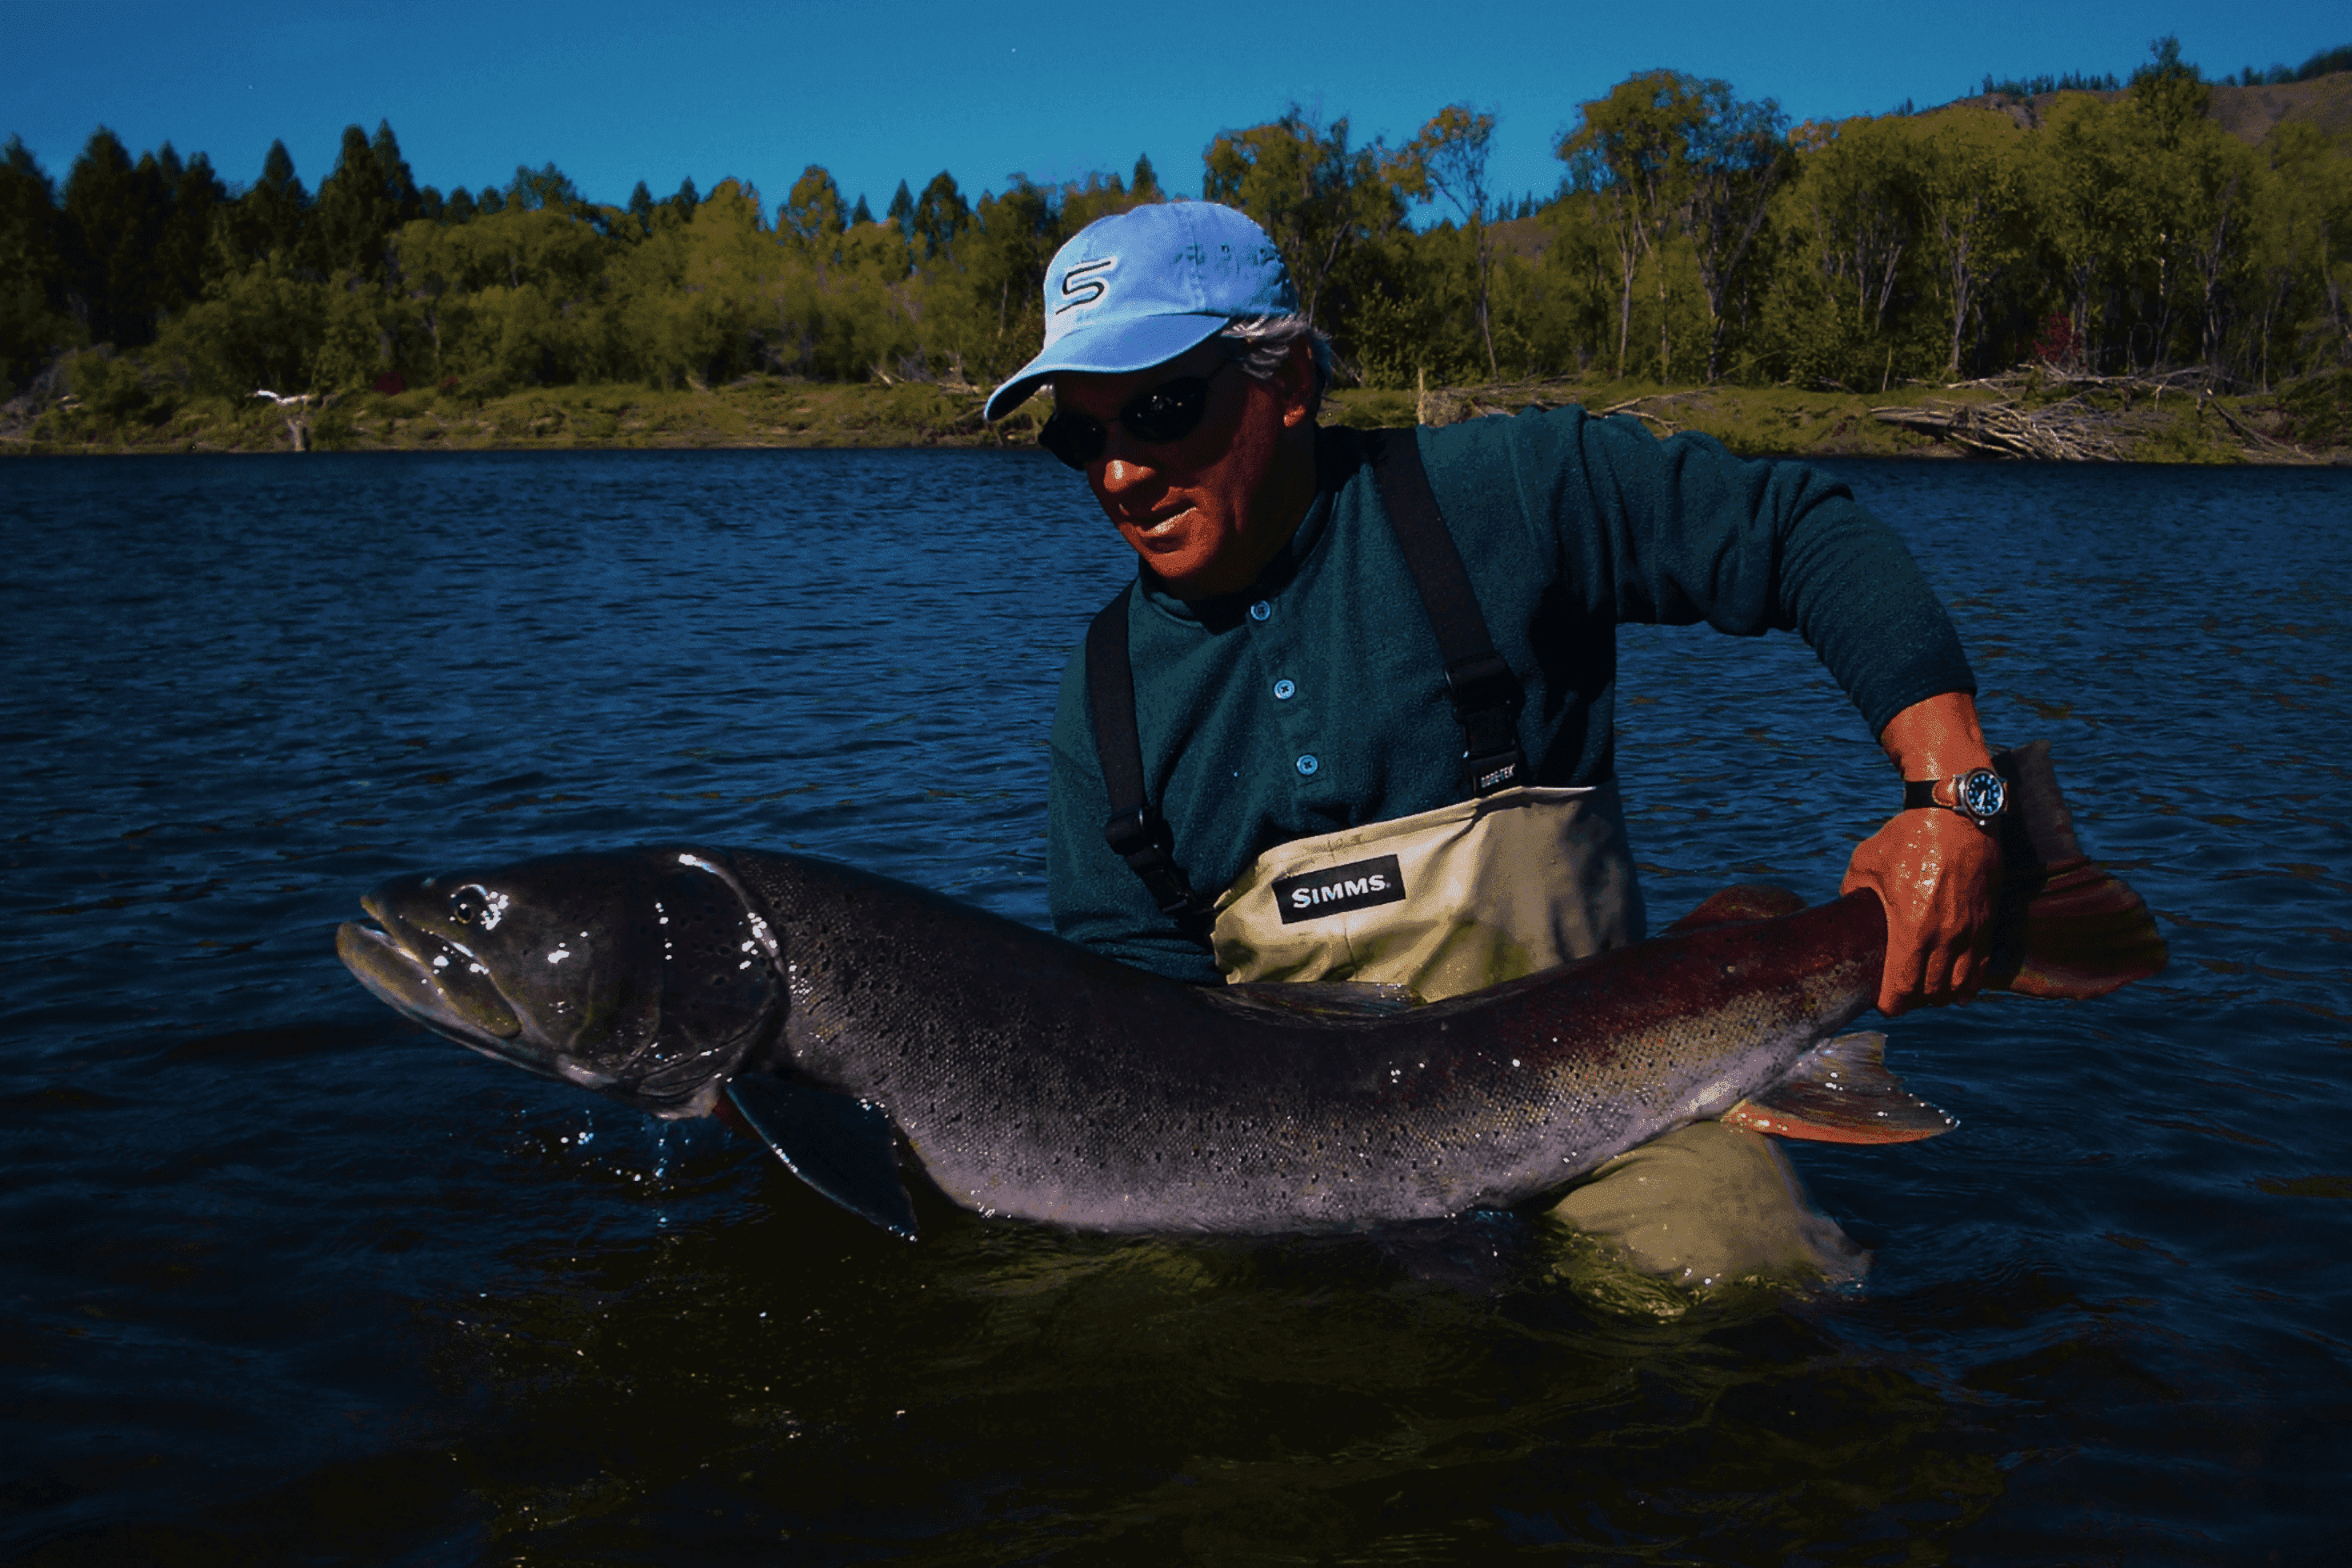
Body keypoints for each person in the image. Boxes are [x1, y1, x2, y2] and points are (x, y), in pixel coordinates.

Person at [984, 202, 2004, 1282]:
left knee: (1729, 1273)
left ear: (1285, 387)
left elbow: (1797, 532)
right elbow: (1139, 1016)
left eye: (1161, 409)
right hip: (1310, 1178)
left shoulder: (1507, 497)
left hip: (1629, 1123)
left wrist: (1955, 799)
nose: (1118, 474)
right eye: (1079, 435)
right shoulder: (1104, 712)